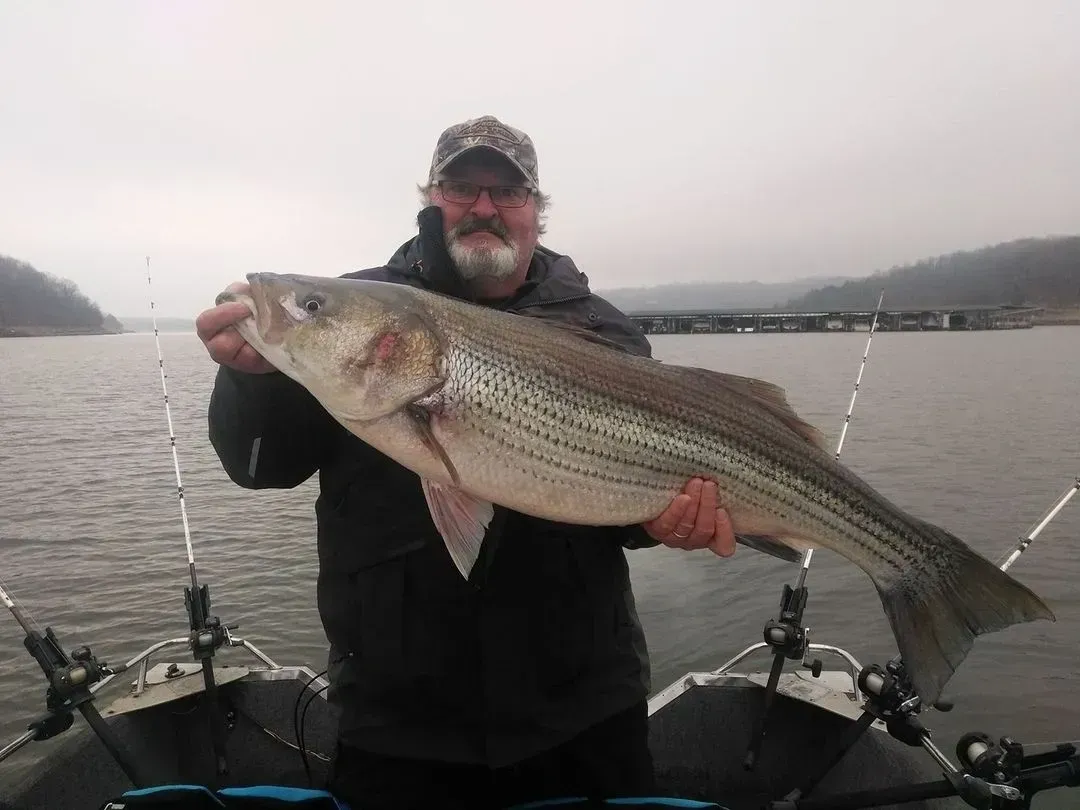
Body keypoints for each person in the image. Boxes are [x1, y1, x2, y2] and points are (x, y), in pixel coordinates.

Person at [196, 115, 737, 809]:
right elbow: (258, 464)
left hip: (581, 713)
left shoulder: (601, 331)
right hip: (398, 723)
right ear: (431, 198)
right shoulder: (357, 309)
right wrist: (253, 379)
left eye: (507, 192)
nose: (484, 207)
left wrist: (666, 524)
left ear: (536, 213)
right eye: (461, 186)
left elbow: (624, 500)